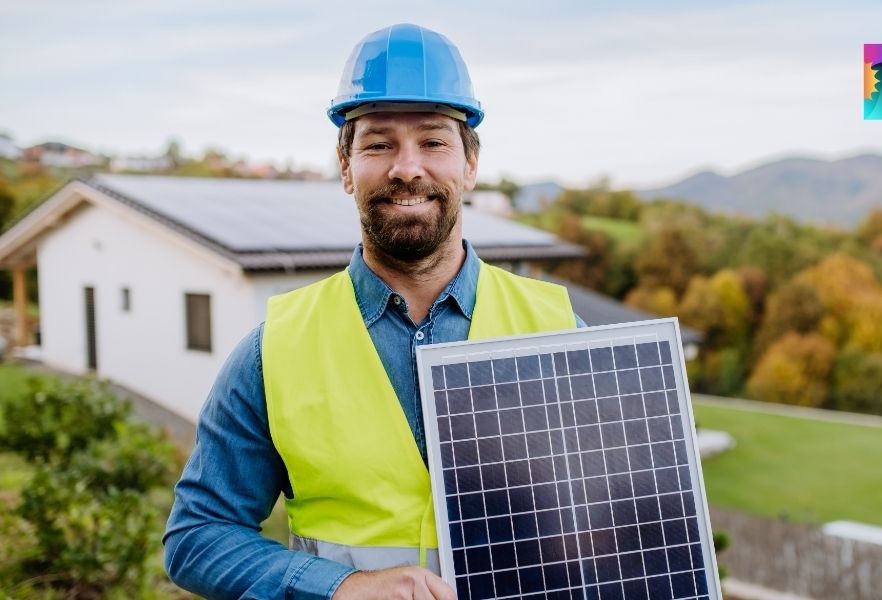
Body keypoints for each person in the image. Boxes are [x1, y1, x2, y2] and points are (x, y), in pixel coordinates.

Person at [163, 23, 583, 600]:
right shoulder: (275, 349)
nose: (406, 168)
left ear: (470, 165)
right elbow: (197, 536)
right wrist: (337, 588)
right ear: (345, 166)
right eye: (379, 143)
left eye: (433, 142)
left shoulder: (562, 333)